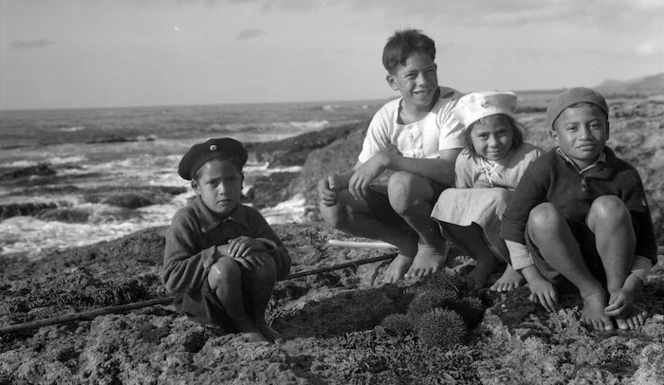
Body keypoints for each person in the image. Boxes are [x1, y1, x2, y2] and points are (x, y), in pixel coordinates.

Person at [500, 87, 657, 331]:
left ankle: (615, 297)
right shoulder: (543, 169)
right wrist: (533, 279)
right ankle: (591, 293)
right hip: (562, 272)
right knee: (542, 215)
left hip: (614, 270)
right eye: (572, 128)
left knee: (610, 207)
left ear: (608, 129)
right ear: (555, 136)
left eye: (594, 125)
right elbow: (512, 226)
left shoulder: (625, 174)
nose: (585, 135)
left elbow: (647, 242)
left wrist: (630, 287)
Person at [318, 28, 465, 283]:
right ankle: (407, 245)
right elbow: (362, 170)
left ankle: (433, 245)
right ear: (393, 82)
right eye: (412, 75)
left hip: (452, 199)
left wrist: (389, 160)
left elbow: (447, 170)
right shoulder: (387, 114)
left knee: (400, 184)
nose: (424, 81)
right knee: (333, 206)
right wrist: (333, 184)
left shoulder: (452, 105)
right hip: (414, 202)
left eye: (430, 71)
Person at [162, 138, 291, 343]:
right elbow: (171, 280)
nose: (224, 189)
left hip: (246, 301)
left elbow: (284, 266)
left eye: (231, 180)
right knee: (225, 267)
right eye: (213, 183)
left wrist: (262, 244)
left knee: (264, 260)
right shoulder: (186, 219)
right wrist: (218, 252)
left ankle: (258, 321)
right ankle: (242, 325)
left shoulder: (250, 216)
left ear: (241, 180)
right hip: (204, 307)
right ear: (196, 187)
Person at [430, 91, 543, 290]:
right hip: (489, 238)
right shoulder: (466, 160)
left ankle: (516, 265)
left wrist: (503, 194)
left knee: (500, 197)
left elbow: (541, 204)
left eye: (501, 133)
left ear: (513, 131)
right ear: (470, 138)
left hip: (523, 234)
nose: (494, 143)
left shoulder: (531, 157)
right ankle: (485, 259)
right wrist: (477, 194)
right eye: (483, 136)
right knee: (448, 198)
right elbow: (461, 206)